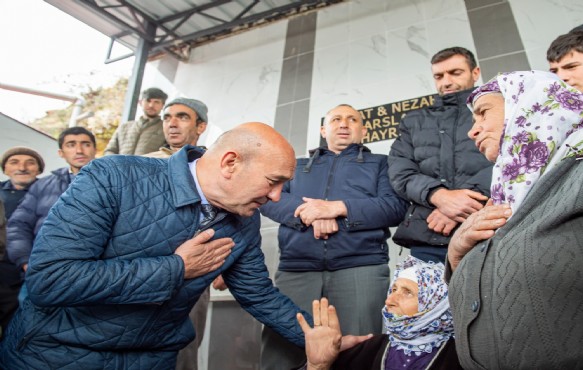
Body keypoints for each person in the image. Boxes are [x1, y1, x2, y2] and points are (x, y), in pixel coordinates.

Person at [0, 122, 368, 369]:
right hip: (56, 355)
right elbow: (49, 280)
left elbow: (259, 295)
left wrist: (314, 337)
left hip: (152, 359)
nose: (274, 197)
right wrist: (174, 268)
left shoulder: (244, 219)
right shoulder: (113, 177)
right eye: (273, 182)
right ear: (230, 163)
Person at [446, 70, 583, 368]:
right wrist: (456, 256)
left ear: (529, 102)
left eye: (483, 113)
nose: (472, 131)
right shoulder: (506, 194)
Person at [259, 104, 408, 370]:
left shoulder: (381, 163)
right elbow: (269, 199)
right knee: (284, 351)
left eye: (352, 119)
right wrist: (312, 213)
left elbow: (394, 207)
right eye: (336, 119)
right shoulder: (296, 165)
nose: (344, 124)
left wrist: (338, 208)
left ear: (363, 130)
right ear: (323, 129)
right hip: (297, 268)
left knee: (361, 351)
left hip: (362, 268)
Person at [388, 46, 493, 263]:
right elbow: (401, 172)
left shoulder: (496, 110)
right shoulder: (413, 121)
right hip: (429, 237)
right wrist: (439, 196)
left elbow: (515, 158)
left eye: (455, 73)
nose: (446, 81)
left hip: (489, 230)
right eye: (439, 76)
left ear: (475, 73)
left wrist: (461, 203)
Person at [296, 256, 461, 370]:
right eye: (393, 289)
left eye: (407, 292)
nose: (389, 300)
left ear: (436, 306)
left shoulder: (462, 357)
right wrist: (317, 366)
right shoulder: (368, 349)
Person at [144, 97, 209, 370]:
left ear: (201, 126)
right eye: (167, 117)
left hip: (195, 271)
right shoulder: (141, 163)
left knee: (184, 347)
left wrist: (226, 267)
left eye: (182, 117)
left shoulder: (213, 166)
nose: (172, 123)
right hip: (143, 268)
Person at [6, 127, 96, 294]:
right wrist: (26, 262)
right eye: (71, 144)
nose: (79, 150)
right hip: (41, 272)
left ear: (94, 149)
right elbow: (18, 225)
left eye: (85, 144)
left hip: (90, 273)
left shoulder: (112, 182)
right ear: (61, 153)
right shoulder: (42, 185)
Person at [0, 147, 44, 333]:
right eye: (14, 162)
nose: (22, 167)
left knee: (17, 325)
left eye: (30, 162)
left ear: (39, 169)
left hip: (27, 270)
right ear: (5, 169)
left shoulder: (49, 193)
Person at [104, 87, 169, 155]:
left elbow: (167, 154)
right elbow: (110, 150)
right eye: (148, 101)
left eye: (156, 102)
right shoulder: (124, 127)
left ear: (163, 106)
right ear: (140, 102)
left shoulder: (166, 129)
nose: (151, 105)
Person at [144, 97, 208, 159]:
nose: (172, 124)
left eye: (183, 118)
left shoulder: (212, 164)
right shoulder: (145, 162)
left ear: (200, 127)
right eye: (167, 118)